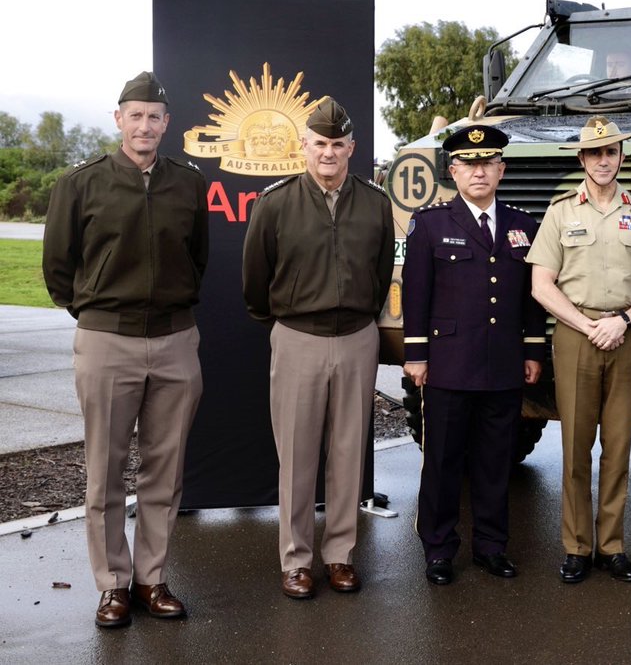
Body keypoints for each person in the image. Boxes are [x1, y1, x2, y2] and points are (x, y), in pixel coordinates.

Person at [42, 70, 208, 628]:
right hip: (106, 340)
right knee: (105, 470)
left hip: (175, 339)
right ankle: (112, 585)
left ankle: (151, 579)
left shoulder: (187, 183)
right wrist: (99, 314)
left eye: (154, 117)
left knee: (165, 469)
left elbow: (197, 258)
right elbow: (59, 269)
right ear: (118, 120)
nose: (144, 125)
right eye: (134, 115)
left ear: (166, 124)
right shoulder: (80, 183)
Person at [242, 98, 395, 600]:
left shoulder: (375, 203)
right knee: (297, 455)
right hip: (298, 338)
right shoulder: (276, 202)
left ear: (352, 147)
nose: (329, 152)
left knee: (348, 454)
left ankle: (340, 555)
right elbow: (255, 280)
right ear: (303, 146)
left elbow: (378, 276)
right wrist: (286, 321)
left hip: (356, 338)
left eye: (338, 144)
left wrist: (360, 319)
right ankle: (297, 560)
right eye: (320, 143)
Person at [526, 116, 631, 584]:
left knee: (619, 445)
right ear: (582, 159)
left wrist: (624, 321)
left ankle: (612, 546)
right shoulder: (561, 212)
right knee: (574, 446)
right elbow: (541, 284)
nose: (603, 160)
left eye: (611, 152)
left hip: (628, 334)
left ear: (621, 157)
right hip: (576, 334)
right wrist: (586, 324)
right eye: (594, 153)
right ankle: (576, 547)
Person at [401, 124, 546, 586]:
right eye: (469, 164)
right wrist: (417, 354)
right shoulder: (430, 223)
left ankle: (491, 546)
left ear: (501, 170)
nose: (479, 172)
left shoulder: (525, 225)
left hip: (503, 363)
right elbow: (416, 294)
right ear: (454, 170)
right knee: (443, 461)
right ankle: (439, 549)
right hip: (448, 362)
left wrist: (533, 348)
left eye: (488, 164)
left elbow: (531, 297)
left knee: (495, 461)